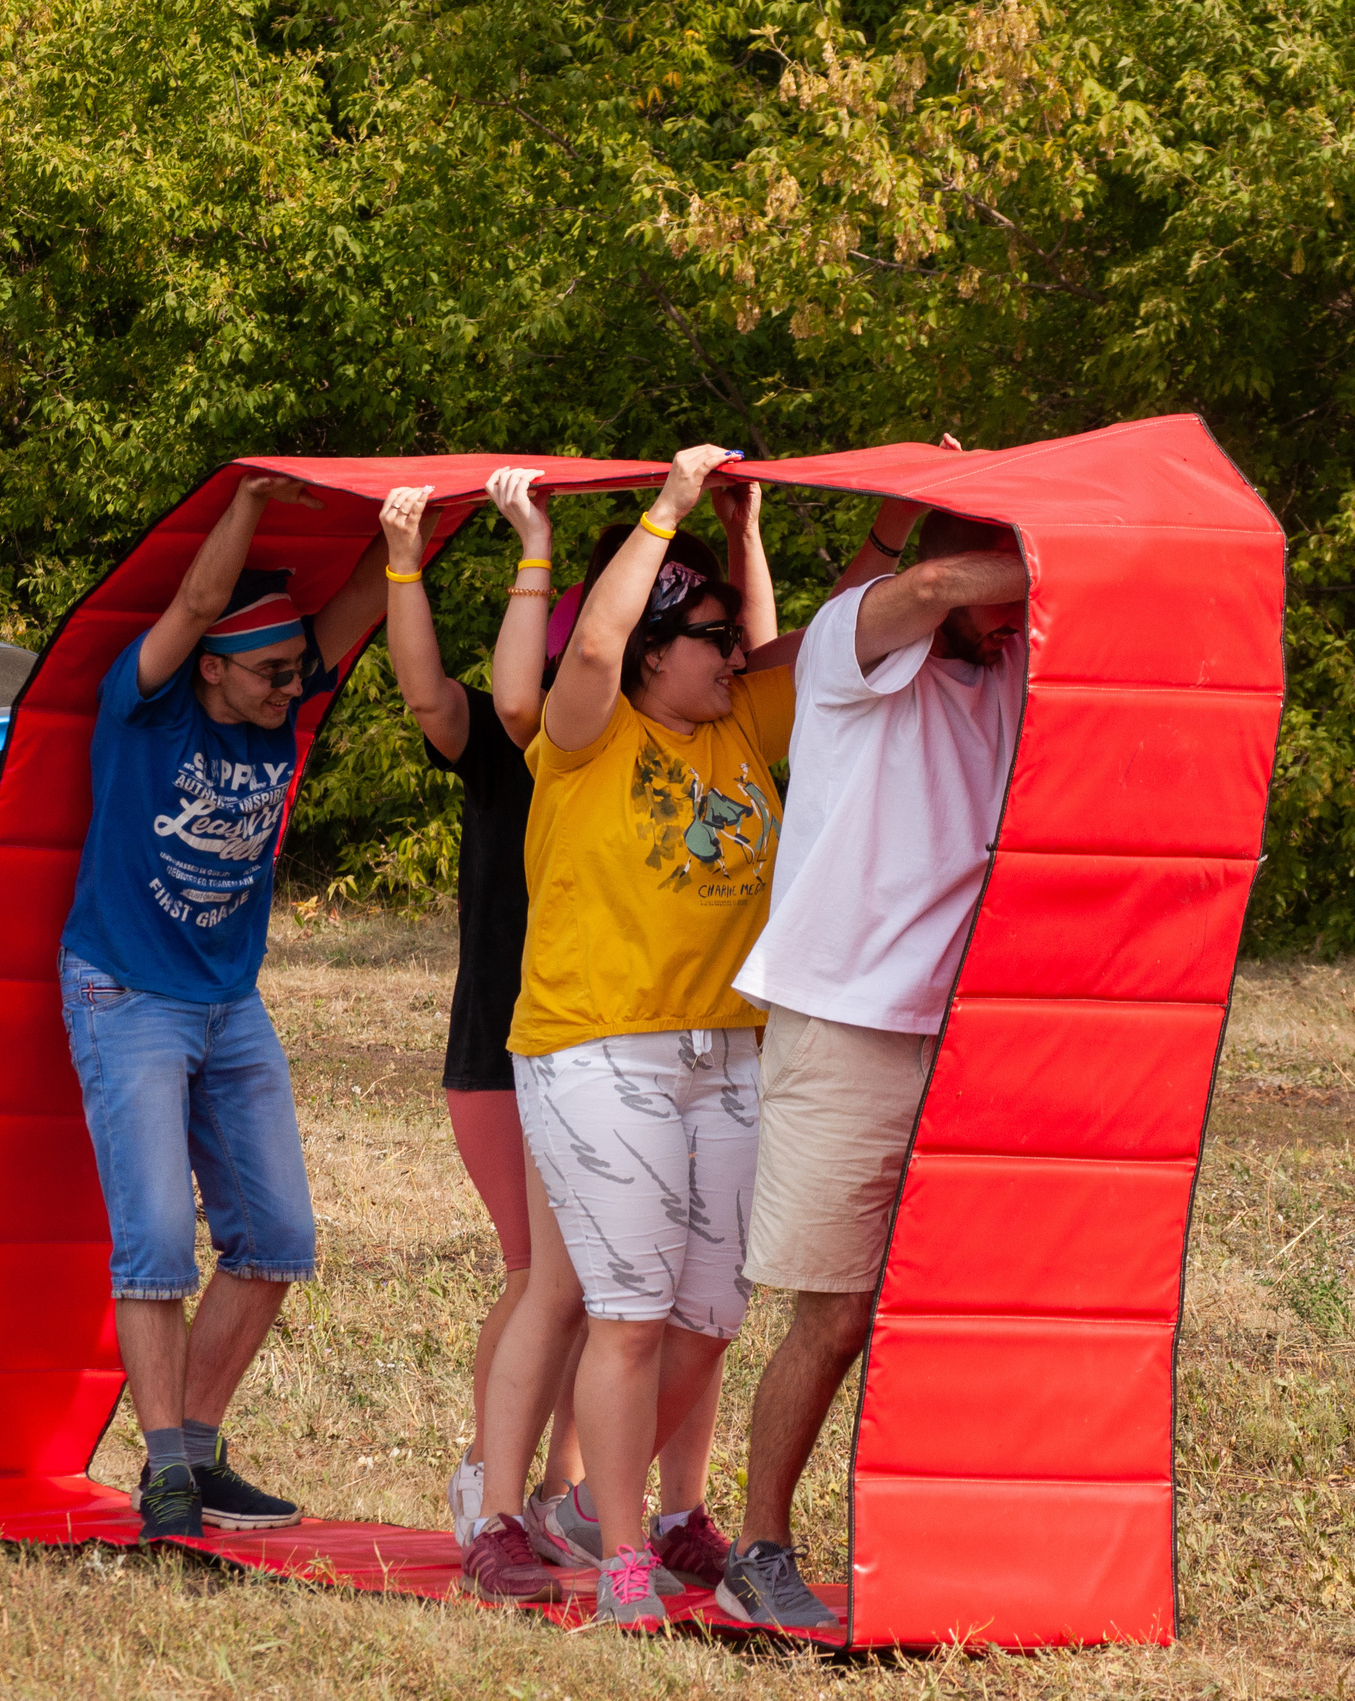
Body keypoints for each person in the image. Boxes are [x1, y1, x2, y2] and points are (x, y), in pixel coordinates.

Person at [463, 442, 795, 1629]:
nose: (736, 654)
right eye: (708, 636)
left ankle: (640, 1513)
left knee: (709, 1320)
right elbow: (592, 647)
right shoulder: (583, 733)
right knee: (629, 1312)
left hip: (729, 1054)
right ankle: (611, 1560)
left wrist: (760, 532)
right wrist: (668, 506)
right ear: (659, 651)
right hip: (598, 1050)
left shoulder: (739, 724)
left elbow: (796, 647)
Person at [715, 507, 1031, 1627]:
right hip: (844, 1019)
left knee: (966, 1314)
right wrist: (1040, 552)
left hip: (972, 1026)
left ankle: (951, 1546)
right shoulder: (856, 643)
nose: (1015, 622)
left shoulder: (1005, 662)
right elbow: (935, 580)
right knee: (835, 1316)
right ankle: (759, 1551)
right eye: (1006, 598)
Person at [57, 471, 386, 1540]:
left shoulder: (272, 708)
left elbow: (373, 594)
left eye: (300, 669)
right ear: (213, 669)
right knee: (154, 1240)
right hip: (128, 991)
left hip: (228, 1002)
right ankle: (162, 1475)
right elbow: (197, 605)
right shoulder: (143, 706)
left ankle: (194, 1452)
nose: (295, 686)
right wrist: (248, 496)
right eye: (273, 672)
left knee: (279, 1237)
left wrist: (422, 523)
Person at [367, 483, 588, 1540]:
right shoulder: (510, 743)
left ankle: (558, 1495)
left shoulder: (642, 753)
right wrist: (403, 561)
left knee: (597, 1281)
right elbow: (426, 694)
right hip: (502, 1050)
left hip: (597, 1040)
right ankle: (484, 1480)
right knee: (541, 1271)